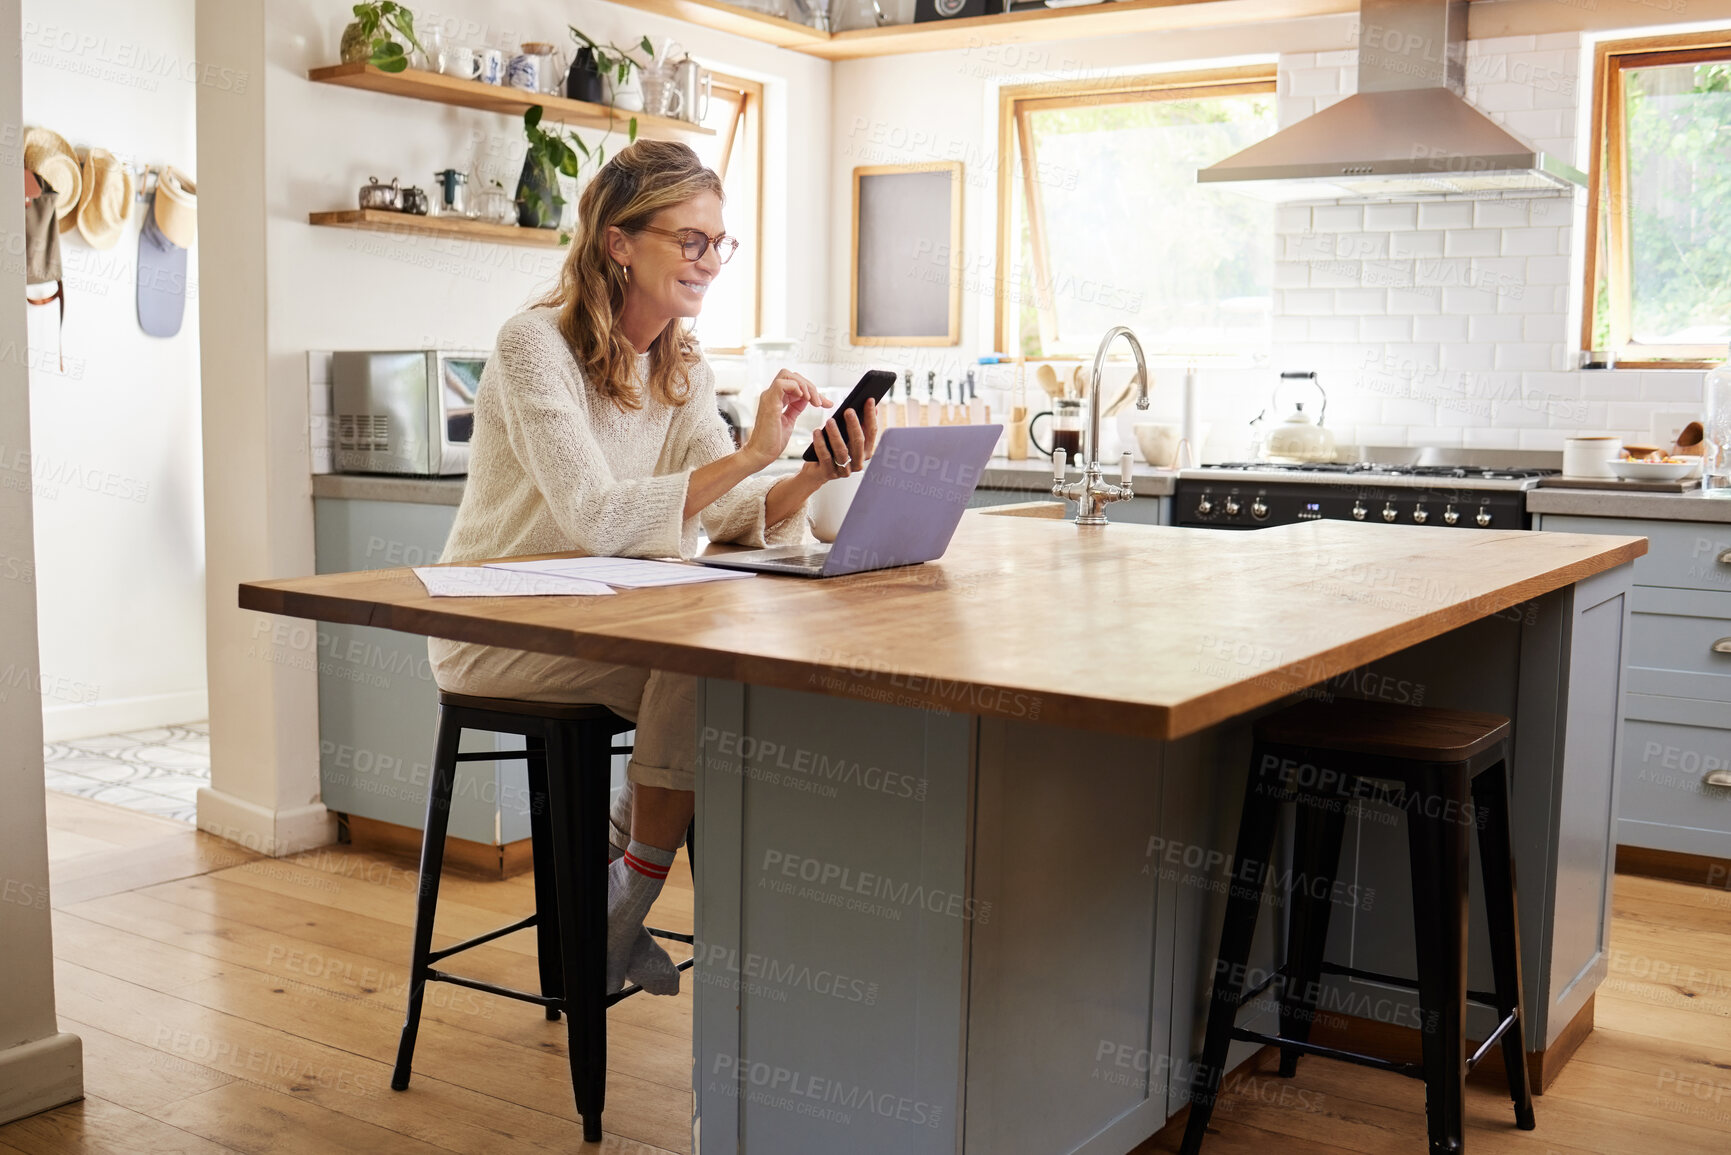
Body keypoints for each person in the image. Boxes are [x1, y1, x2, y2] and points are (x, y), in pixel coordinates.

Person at [430, 140, 878, 994]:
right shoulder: (533, 347)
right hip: (494, 625)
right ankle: (622, 898)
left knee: (728, 664)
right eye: (692, 240)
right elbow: (595, 515)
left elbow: (732, 518)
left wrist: (810, 469)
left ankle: (619, 884)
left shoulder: (679, 363)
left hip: (610, 622)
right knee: (701, 655)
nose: (709, 261)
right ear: (620, 242)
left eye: (719, 243)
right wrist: (750, 453)